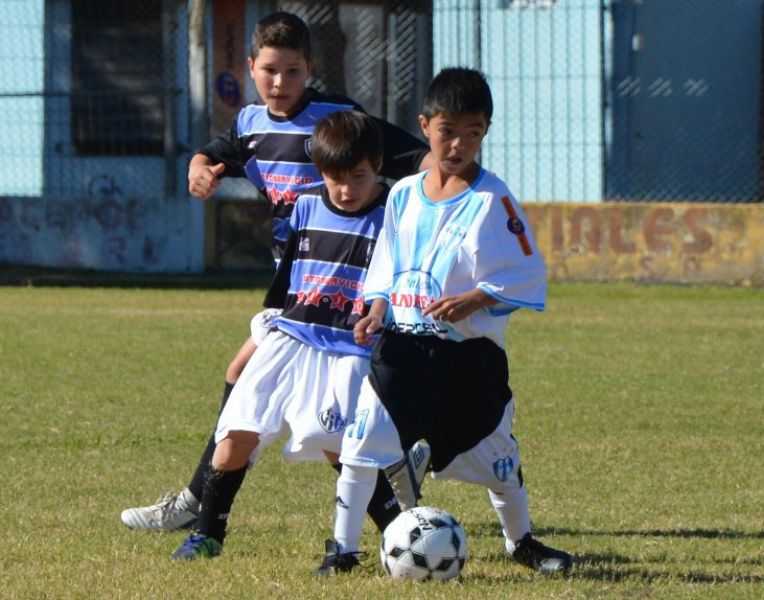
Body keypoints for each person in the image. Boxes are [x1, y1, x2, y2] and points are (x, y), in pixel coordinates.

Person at [121, 11, 430, 533]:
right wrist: (199, 170)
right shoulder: (250, 125)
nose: (279, 82)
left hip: (344, 286)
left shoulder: (338, 116)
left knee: (319, 415)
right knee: (261, 386)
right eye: (269, 70)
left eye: (291, 70)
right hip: (294, 285)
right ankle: (398, 469)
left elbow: (412, 158)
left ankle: (199, 503)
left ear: (308, 68)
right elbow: (213, 155)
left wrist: (447, 195)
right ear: (251, 67)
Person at [316, 68, 573, 576]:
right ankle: (342, 552)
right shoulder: (404, 194)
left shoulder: (492, 201)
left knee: (500, 462)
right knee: (360, 444)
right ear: (425, 125)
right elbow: (386, 263)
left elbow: (528, 272)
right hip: (402, 350)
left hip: (466, 358)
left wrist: (474, 299)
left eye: (473, 132)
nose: (459, 144)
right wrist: (375, 308)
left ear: (485, 132)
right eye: (447, 130)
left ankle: (521, 543)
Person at [171, 110, 404, 559]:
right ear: (320, 171)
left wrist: (381, 317)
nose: (346, 189)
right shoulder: (307, 204)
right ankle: (208, 534)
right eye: (336, 177)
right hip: (290, 337)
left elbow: (398, 279)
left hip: (346, 349)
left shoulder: (392, 213)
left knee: (341, 449)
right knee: (234, 435)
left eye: (358, 177)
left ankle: (400, 531)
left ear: (377, 165)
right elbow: (288, 280)